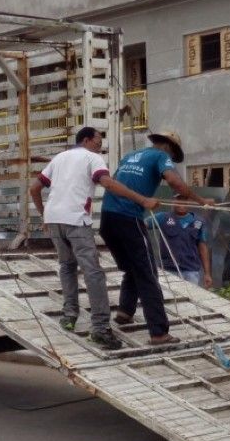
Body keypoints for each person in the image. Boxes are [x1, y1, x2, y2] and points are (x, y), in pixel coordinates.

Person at [28, 126, 159, 351]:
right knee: (93, 272)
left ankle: (69, 315)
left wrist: (44, 214)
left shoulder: (59, 158)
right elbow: (107, 183)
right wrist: (142, 199)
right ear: (87, 140)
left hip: (55, 219)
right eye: (98, 142)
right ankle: (100, 328)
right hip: (76, 220)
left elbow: (34, 188)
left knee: (67, 267)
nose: (100, 146)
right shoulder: (93, 158)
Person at [100, 130, 214, 345]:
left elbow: (116, 184)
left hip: (107, 219)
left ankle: (124, 312)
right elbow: (176, 184)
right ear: (170, 148)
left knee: (134, 268)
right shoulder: (161, 157)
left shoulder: (130, 156)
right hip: (129, 217)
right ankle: (159, 332)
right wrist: (200, 200)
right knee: (148, 273)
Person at [151, 203, 212, 288]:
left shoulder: (198, 222)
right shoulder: (163, 217)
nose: (181, 204)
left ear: (190, 202)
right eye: (178, 200)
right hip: (168, 270)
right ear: (173, 200)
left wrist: (207, 273)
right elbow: (139, 225)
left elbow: (203, 248)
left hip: (191, 271)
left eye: (185, 200)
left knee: (191, 298)